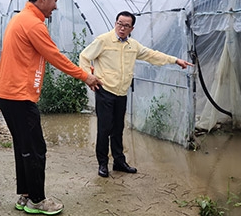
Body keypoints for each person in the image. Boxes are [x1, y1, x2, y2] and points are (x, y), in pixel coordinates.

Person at [0, 0, 102, 216]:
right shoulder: (33, 24)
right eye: (54, 0)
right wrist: (86, 77)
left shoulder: (20, 19)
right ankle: (37, 199)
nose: (55, 6)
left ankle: (25, 194)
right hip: (18, 96)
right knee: (35, 148)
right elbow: (55, 56)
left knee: (24, 146)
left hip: (8, 94)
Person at [79, 11, 193, 178]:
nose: (122, 28)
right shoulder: (103, 40)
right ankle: (102, 163)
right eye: (119, 23)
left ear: (132, 28)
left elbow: (152, 55)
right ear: (115, 23)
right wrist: (88, 77)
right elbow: (84, 56)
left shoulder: (133, 46)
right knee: (104, 129)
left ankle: (119, 162)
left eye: (126, 25)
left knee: (118, 128)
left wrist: (175, 60)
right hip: (105, 91)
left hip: (121, 92)